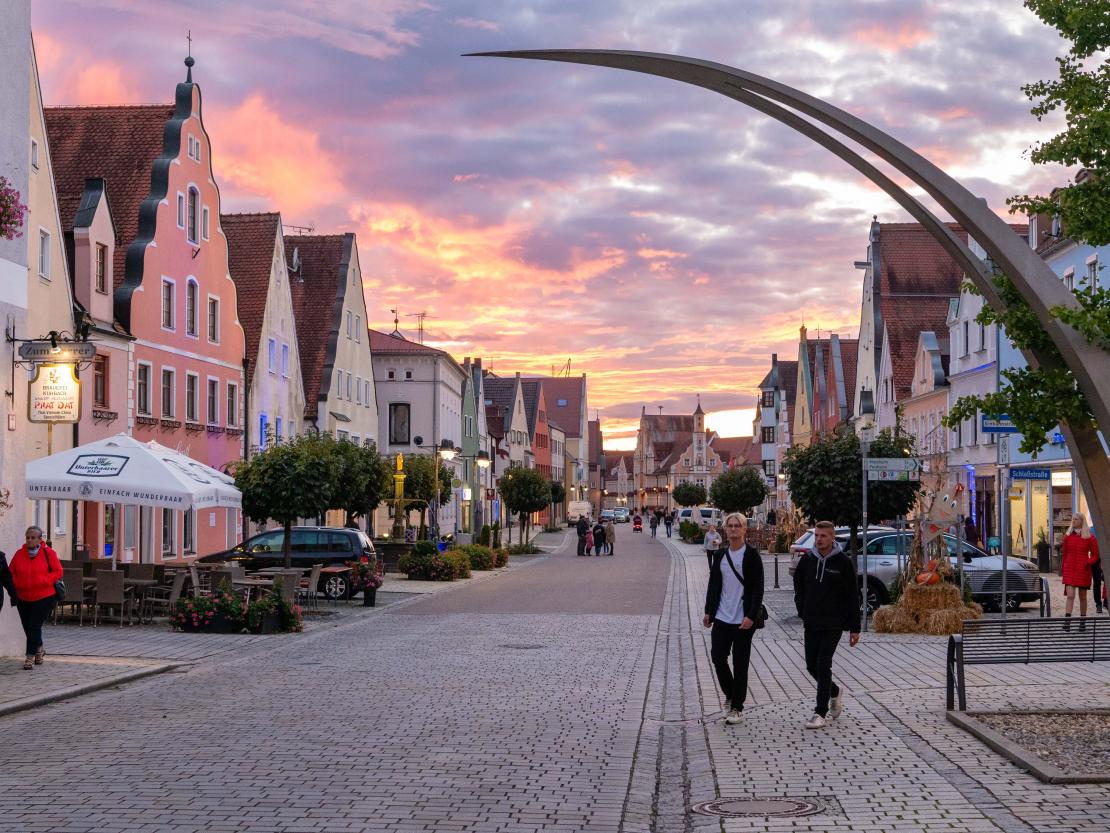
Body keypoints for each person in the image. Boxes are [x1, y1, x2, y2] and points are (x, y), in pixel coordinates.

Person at [793, 520, 861, 729]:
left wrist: (854, 628)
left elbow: (852, 595)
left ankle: (819, 712)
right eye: (817, 536)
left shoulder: (843, 562)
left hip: (834, 622)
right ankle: (834, 691)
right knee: (811, 665)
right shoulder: (808, 560)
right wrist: (802, 609)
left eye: (824, 536)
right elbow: (798, 586)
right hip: (812, 621)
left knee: (823, 665)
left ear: (833, 538)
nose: (820, 540)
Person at [702, 512, 764, 725]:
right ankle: (730, 694)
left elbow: (757, 589)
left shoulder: (752, 556)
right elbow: (713, 586)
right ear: (725, 529)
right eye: (730, 526)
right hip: (721, 616)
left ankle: (737, 707)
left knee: (740, 663)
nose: (734, 529)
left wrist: (751, 616)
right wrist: (708, 611)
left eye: (738, 525)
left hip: (743, 620)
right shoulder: (720, 556)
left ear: (745, 529)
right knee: (718, 657)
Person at [7, 526, 62, 671]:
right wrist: (17, 584)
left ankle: (29, 657)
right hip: (23, 596)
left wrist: (44, 580)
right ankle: (39, 648)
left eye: (32, 537)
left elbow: (58, 571)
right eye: (27, 537)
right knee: (27, 627)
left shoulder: (48, 553)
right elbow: (10, 572)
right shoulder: (19, 554)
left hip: (44, 596)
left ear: (39, 539)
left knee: (34, 626)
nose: (29, 540)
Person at [1062, 512, 1101, 629]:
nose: (1073, 521)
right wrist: (1063, 569)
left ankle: (1082, 622)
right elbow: (1064, 554)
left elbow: (1096, 555)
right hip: (1069, 569)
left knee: (1082, 597)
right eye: (1072, 519)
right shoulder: (1067, 536)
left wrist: (1087, 562)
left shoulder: (1089, 537)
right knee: (1070, 595)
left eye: (1076, 519)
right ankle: (1067, 622)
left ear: (1082, 521)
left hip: (1083, 570)